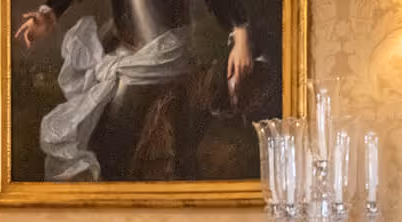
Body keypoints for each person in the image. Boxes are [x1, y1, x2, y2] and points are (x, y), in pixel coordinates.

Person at [15, 1, 253, 181]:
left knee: (117, 119)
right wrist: (50, 11)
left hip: (164, 52)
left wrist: (240, 36)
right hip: (124, 49)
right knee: (94, 125)